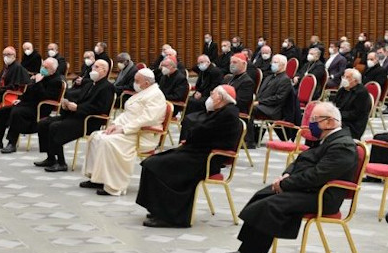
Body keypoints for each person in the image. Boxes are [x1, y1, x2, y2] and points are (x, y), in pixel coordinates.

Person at [223, 102, 357, 253]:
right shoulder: (328, 138)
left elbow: (317, 176)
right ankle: (246, 249)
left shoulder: (342, 145)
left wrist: (286, 184)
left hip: (324, 196)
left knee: (270, 206)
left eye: (315, 119)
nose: (310, 123)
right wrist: (287, 174)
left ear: (330, 122)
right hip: (311, 189)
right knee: (262, 196)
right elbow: (302, 159)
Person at [137, 85, 242, 228]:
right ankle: (159, 209)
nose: (210, 96)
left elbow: (206, 133)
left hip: (207, 159)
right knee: (152, 162)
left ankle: (171, 217)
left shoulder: (228, 114)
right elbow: (206, 131)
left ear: (221, 98)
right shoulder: (221, 111)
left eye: (214, 94)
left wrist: (191, 136)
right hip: (197, 152)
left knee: (157, 166)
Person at [80, 68, 167, 196]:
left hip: (142, 135)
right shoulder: (144, 91)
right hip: (129, 130)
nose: (134, 83)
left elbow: (147, 119)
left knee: (108, 141)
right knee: (96, 137)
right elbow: (127, 114)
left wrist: (124, 129)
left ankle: (113, 185)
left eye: (137, 81)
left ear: (147, 83)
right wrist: (115, 125)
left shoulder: (156, 95)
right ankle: (97, 178)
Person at [35, 60, 115, 171]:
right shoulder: (89, 84)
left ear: (104, 70)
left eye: (96, 67)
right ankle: (51, 157)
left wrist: (77, 108)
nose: (93, 69)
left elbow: (100, 108)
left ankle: (62, 163)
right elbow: (79, 99)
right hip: (77, 115)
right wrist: (67, 105)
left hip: (89, 121)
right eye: (92, 67)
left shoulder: (107, 87)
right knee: (44, 123)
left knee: (55, 127)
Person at [0, 58, 63, 153]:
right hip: (28, 104)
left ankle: (12, 143)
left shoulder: (56, 81)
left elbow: (44, 97)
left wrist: (38, 83)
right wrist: (20, 100)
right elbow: (28, 92)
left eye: (46, 67)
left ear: (53, 70)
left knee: (16, 113)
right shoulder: (41, 76)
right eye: (43, 66)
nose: (43, 69)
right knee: (3, 111)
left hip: (40, 108)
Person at [250, 55, 293, 148]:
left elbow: (279, 98)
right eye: (272, 62)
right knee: (246, 105)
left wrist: (260, 102)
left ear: (283, 65)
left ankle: (249, 140)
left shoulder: (285, 79)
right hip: (264, 105)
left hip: (273, 109)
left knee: (251, 108)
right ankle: (246, 137)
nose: (272, 64)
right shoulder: (269, 77)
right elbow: (260, 93)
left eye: (275, 62)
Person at [334, 69, 371, 140]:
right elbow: (335, 104)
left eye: (347, 77)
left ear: (355, 80)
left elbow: (356, 114)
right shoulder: (342, 90)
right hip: (340, 118)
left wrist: (337, 115)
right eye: (344, 76)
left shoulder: (361, 92)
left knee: (326, 125)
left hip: (353, 124)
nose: (344, 79)